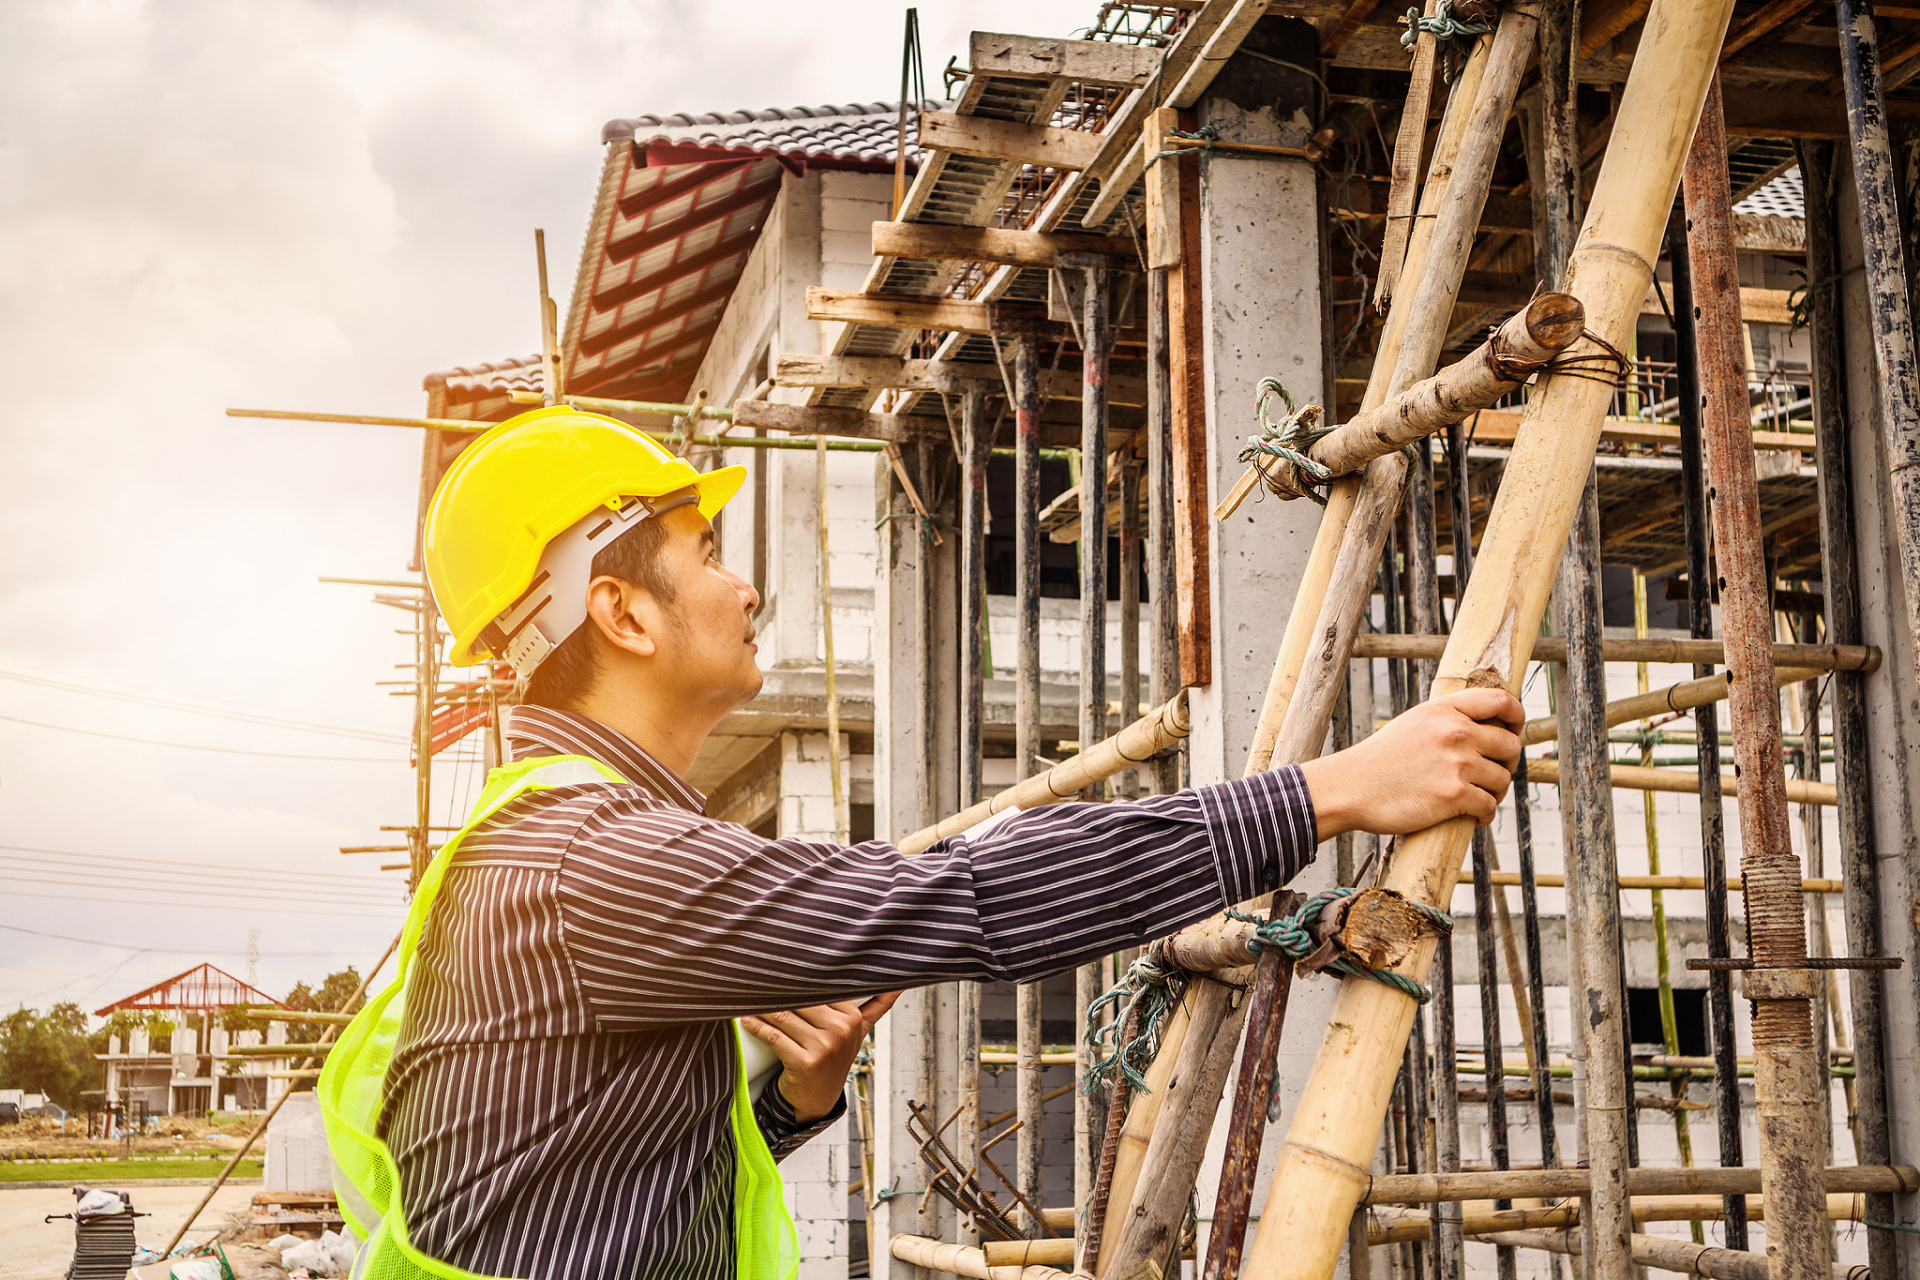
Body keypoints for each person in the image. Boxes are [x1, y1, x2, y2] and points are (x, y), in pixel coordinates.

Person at [320, 407, 1525, 1280]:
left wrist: (796, 1100)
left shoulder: (572, 840)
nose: (747, 590)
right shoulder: (586, 860)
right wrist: (1330, 789)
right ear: (622, 610)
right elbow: (972, 897)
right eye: (708, 555)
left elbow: (577, 1180)